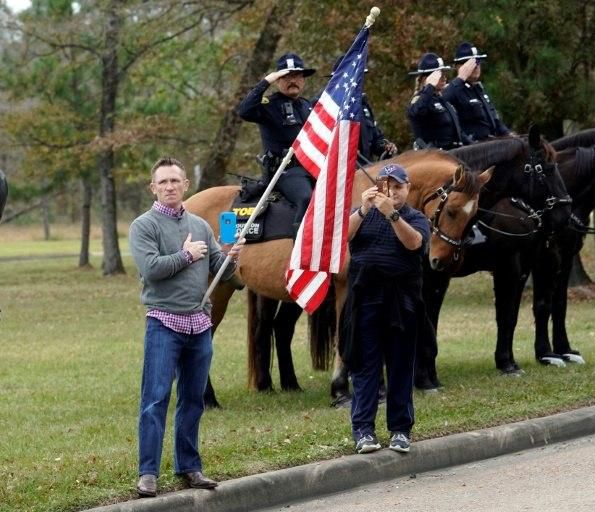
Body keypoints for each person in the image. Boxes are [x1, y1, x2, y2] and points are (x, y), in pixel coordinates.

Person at [129, 156, 243, 498]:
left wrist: (232, 257)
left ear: (185, 185)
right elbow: (150, 269)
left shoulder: (200, 225)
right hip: (164, 322)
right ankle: (147, 473)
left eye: (174, 181)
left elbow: (222, 272)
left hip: (199, 324)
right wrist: (187, 256)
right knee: (156, 398)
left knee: (193, 400)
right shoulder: (143, 226)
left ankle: (189, 466)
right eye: (162, 182)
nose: (169, 187)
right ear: (153, 188)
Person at [340, 163, 430, 454]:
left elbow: (414, 243)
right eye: (386, 186)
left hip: (402, 301)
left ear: (408, 188)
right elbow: (344, 236)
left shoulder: (415, 218)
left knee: (401, 366)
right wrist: (365, 209)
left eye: (398, 186)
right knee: (365, 367)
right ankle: (363, 431)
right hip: (365, 298)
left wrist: (391, 213)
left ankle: (400, 430)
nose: (392, 192)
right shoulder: (363, 214)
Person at [237, 52, 316, 228]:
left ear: (303, 79)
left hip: (312, 167)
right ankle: (301, 250)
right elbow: (244, 111)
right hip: (285, 171)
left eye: (296, 75)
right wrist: (265, 82)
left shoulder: (307, 106)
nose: (292, 80)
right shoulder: (268, 105)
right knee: (306, 198)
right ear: (278, 81)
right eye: (285, 77)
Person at [327, 55, 398, 166]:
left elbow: (375, 139)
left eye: (361, 77)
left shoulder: (363, 105)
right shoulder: (328, 107)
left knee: (397, 178)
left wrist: (385, 147)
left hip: (367, 168)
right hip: (340, 171)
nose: (359, 81)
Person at [442, 42, 512, 141]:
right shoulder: (455, 89)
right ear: (459, 67)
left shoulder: (479, 89)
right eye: (471, 63)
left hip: (491, 144)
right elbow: (443, 99)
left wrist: (508, 134)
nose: (476, 66)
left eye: (478, 62)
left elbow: (494, 119)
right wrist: (461, 77)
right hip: (473, 149)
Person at [406, 52, 472, 150]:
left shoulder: (442, 100)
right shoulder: (419, 99)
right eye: (439, 75)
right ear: (426, 78)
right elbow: (416, 112)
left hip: (452, 153)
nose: (444, 78)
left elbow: (457, 132)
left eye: (444, 73)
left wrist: (473, 146)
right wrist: (429, 87)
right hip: (433, 158)